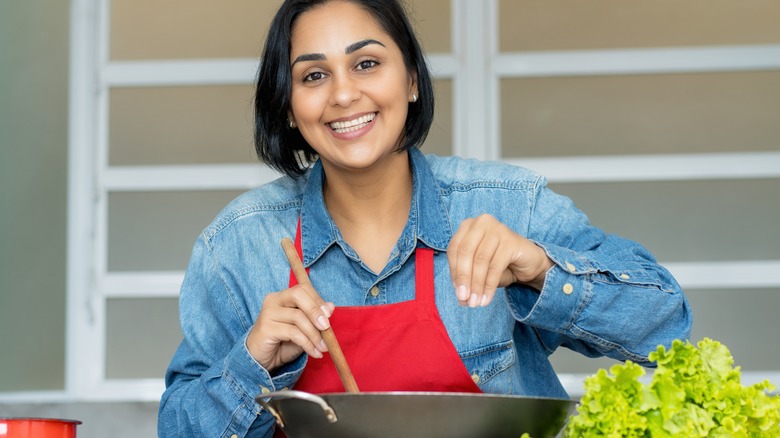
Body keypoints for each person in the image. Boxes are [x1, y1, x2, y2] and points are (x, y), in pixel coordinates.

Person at [158, 0, 693, 436]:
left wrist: (539, 269)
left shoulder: (510, 204)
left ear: (412, 80)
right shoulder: (239, 244)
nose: (344, 94)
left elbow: (666, 327)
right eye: (314, 75)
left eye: (367, 63)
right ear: (290, 107)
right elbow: (177, 428)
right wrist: (252, 361)